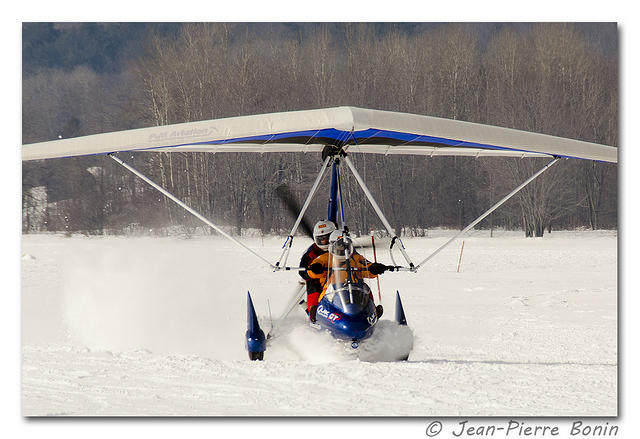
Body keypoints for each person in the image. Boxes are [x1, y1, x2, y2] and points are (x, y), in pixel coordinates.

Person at [306, 230, 394, 321]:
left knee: (365, 287)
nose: (343, 249)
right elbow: (312, 270)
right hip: (332, 293)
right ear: (332, 246)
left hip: (354, 291)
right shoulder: (326, 258)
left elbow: (366, 266)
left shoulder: (356, 258)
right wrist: (315, 268)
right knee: (322, 295)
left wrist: (374, 268)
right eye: (340, 246)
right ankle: (316, 312)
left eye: (346, 246)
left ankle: (371, 310)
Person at [298, 220, 337, 321]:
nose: (324, 242)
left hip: (338, 278)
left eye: (327, 238)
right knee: (314, 293)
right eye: (321, 239)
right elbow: (302, 272)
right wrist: (314, 271)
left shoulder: (341, 247)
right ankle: (313, 312)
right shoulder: (310, 253)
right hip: (316, 282)